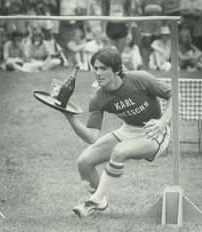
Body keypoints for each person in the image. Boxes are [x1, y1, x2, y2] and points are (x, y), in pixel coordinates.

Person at [61, 47, 176, 217]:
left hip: (155, 132)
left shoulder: (140, 79)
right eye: (96, 68)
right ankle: (101, 203)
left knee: (119, 151)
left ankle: (93, 201)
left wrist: (162, 121)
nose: (98, 73)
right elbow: (92, 137)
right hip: (128, 129)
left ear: (116, 70)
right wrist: (69, 115)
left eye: (103, 68)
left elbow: (175, 94)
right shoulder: (98, 98)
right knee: (84, 162)